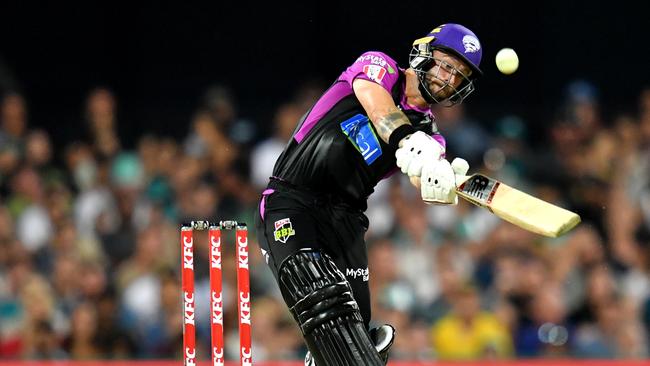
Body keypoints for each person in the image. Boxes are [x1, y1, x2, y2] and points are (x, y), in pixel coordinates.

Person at [253, 23, 483, 365]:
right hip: (293, 199)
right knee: (319, 292)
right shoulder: (380, 67)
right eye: (446, 65)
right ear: (424, 53)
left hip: (346, 222)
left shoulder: (432, 138)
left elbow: (422, 179)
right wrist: (409, 140)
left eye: (459, 76)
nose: (448, 79)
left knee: (352, 339)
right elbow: (380, 110)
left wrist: (443, 180)